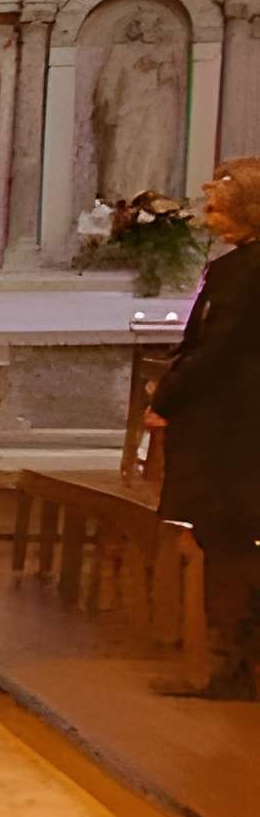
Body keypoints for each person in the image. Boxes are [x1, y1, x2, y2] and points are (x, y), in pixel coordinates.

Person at [151, 158, 260, 699]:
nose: (210, 214)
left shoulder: (241, 274)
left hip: (233, 435)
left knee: (230, 544)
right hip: (240, 429)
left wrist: (167, 399)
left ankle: (234, 669)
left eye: (218, 204)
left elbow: (215, 349)